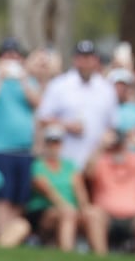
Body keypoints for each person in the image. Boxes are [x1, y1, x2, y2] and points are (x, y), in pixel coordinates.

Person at [0, 37, 40, 246]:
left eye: (16, 55)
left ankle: (12, 238)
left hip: (23, 149)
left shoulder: (28, 80)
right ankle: (1, 235)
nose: (11, 59)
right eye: (7, 54)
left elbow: (37, 103)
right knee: (1, 196)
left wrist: (22, 79)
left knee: (18, 198)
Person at [36, 39, 117, 169]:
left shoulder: (106, 89)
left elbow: (112, 125)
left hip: (96, 164)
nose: (86, 62)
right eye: (82, 58)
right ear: (75, 59)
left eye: (89, 58)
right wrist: (67, 125)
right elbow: (43, 119)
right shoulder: (59, 85)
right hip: (65, 161)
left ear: (96, 60)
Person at [84, 127, 135, 253]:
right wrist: (101, 146)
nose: (118, 145)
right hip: (106, 217)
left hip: (134, 218)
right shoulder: (101, 160)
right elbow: (88, 172)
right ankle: (100, 257)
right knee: (92, 213)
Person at [27, 123, 104, 253]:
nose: (53, 147)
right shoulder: (37, 165)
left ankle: (102, 257)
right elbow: (47, 191)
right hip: (46, 211)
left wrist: (84, 208)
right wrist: (65, 206)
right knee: (67, 214)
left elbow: (79, 190)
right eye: (50, 142)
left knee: (93, 214)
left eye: (57, 143)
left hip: (69, 209)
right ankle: (67, 253)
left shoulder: (69, 166)